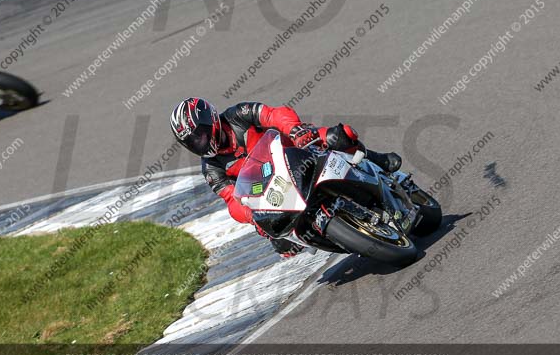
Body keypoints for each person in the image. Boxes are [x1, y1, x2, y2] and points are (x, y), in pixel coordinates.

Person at [170, 98, 402, 257]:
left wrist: (294, 130)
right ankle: (338, 235)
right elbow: (232, 200)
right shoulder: (211, 168)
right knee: (282, 243)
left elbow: (274, 115)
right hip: (275, 194)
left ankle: (376, 159)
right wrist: (254, 218)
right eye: (190, 141)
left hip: (299, 153)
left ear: (210, 120)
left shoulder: (238, 115)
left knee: (340, 135)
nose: (198, 143)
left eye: (199, 134)